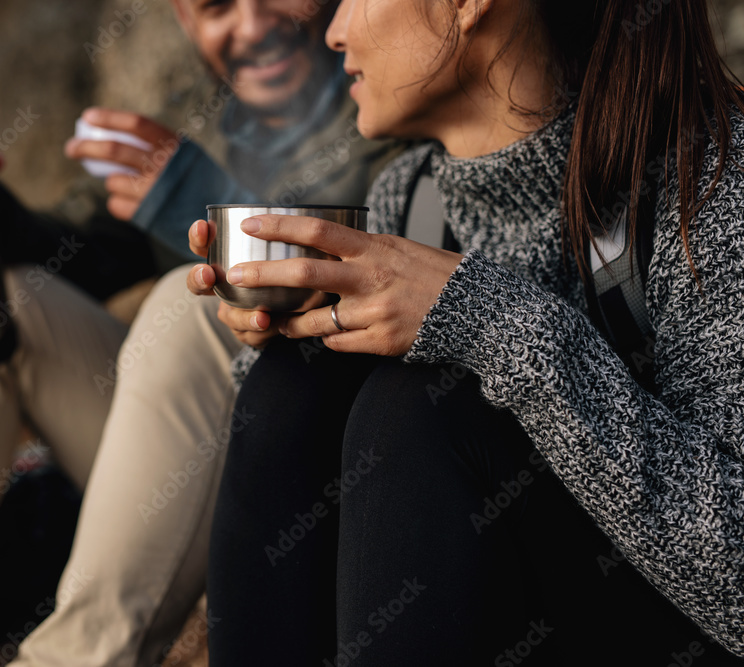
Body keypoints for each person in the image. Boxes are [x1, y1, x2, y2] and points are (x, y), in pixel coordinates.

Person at [0, 0, 402, 666]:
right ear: (184, 22)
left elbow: (392, 272)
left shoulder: (387, 96)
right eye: (217, 7)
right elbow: (87, 249)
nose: (254, 23)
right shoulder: (201, 121)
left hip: (322, 482)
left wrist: (201, 199)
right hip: (179, 471)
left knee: (189, 301)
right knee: (2, 299)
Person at [186, 0, 744, 663]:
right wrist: (293, 332)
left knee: (419, 408)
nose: (332, 31)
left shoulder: (708, 183)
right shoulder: (410, 197)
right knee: (293, 386)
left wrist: (487, 318)